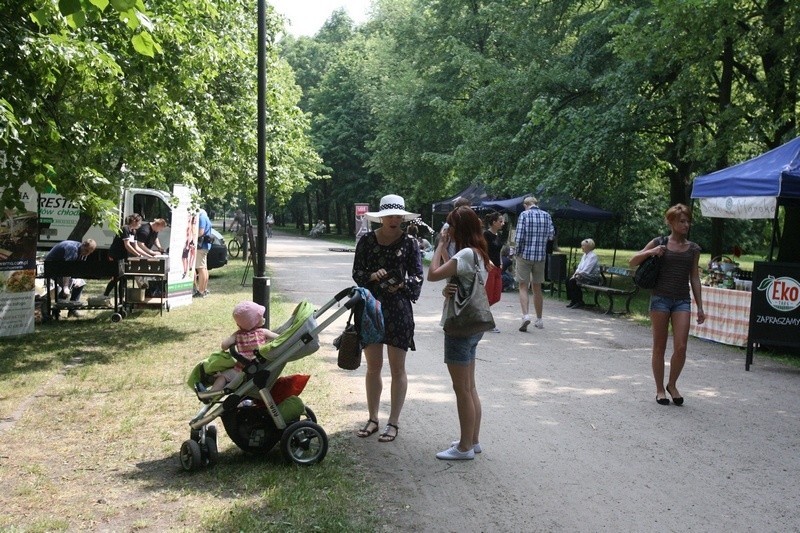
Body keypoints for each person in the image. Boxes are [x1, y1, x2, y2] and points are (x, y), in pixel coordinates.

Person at [352, 194, 423, 443]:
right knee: (373, 367)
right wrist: (372, 276)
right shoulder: (367, 241)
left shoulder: (411, 243)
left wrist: (402, 286)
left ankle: (393, 422)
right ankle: (373, 418)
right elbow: (357, 273)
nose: (394, 219)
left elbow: (417, 276)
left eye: (398, 215)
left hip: (398, 310)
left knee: (397, 368)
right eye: (390, 215)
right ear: (381, 217)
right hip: (371, 307)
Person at [427, 206, 490, 460]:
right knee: (470, 386)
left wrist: (438, 246)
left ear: (458, 228)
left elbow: (432, 274)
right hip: (474, 325)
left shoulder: (464, 253)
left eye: (450, 226)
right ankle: (473, 440)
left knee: (460, 388)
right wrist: (448, 289)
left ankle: (464, 447)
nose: (447, 230)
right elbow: (459, 282)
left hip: (459, 327)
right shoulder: (479, 253)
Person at [629, 204, 705, 407]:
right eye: (682, 221)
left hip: (682, 300)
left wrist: (700, 306)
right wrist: (652, 251)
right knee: (659, 346)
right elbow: (632, 261)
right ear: (671, 222)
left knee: (681, 346)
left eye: (688, 221)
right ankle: (660, 389)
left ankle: (672, 384)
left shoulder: (693, 249)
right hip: (660, 299)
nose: (686, 224)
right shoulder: (659, 242)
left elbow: (695, 278)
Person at [198, 301, 278, 396]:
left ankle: (211, 394)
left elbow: (224, 345)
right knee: (225, 375)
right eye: (261, 317)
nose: (263, 318)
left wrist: (234, 340)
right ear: (255, 321)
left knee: (223, 377)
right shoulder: (263, 332)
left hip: (240, 371)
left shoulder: (238, 334)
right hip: (259, 369)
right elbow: (280, 338)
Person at [514, 196, 554, 331]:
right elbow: (551, 235)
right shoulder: (547, 216)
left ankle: (525, 316)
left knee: (523, 286)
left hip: (524, 255)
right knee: (537, 288)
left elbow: (519, 237)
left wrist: (516, 252)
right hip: (540, 257)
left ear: (526, 204)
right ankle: (539, 319)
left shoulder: (524, 215)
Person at [45, 239, 97, 317]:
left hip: (62, 268)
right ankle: (56, 312)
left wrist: (78, 279)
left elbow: (77, 268)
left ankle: (73, 309)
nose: (87, 254)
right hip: (52, 268)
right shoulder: (72, 249)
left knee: (81, 283)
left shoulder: (83, 252)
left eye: (90, 252)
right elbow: (67, 269)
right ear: (83, 245)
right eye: (86, 251)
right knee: (66, 287)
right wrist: (65, 286)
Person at [104, 213, 146, 299]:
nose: (140, 224)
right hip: (115, 255)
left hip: (124, 256)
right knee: (117, 277)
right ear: (134, 221)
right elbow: (127, 245)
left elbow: (136, 246)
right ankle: (105, 295)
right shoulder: (125, 228)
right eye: (139, 222)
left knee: (123, 278)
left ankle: (121, 299)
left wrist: (147, 255)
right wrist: (138, 255)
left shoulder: (133, 231)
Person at [483, 211, 505, 332]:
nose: (503, 223)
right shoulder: (486, 234)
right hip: (489, 267)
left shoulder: (498, 236)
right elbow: (483, 249)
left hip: (497, 267)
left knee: (496, 296)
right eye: (500, 221)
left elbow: (499, 251)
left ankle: (480, 312)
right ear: (493, 222)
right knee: (488, 295)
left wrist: (501, 261)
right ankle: (486, 321)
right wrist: (487, 261)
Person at [565, 238, 601, 309]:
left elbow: (587, 270)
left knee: (573, 281)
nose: (582, 247)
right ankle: (573, 300)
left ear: (589, 247)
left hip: (591, 277)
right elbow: (579, 267)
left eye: (583, 246)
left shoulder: (593, 256)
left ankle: (579, 301)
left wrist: (577, 276)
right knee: (568, 280)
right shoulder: (584, 255)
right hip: (583, 275)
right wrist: (574, 274)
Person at [194, 209, 213, 298]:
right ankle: (204, 289)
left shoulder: (201, 218)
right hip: (206, 246)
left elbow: (200, 232)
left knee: (200, 269)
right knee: (204, 268)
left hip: (200, 246)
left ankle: (201, 291)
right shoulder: (207, 218)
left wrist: (192, 235)